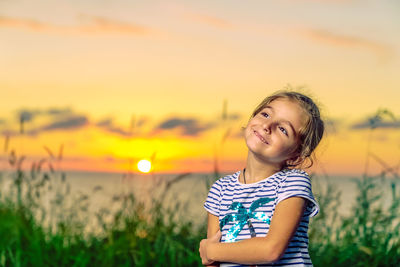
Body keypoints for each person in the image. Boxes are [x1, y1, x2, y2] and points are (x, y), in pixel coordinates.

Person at [199, 90, 325, 266]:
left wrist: (210, 250)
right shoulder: (220, 189)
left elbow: (271, 250)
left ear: (295, 156)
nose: (267, 126)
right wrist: (210, 254)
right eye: (265, 114)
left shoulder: (293, 182)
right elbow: (211, 263)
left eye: (283, 129)